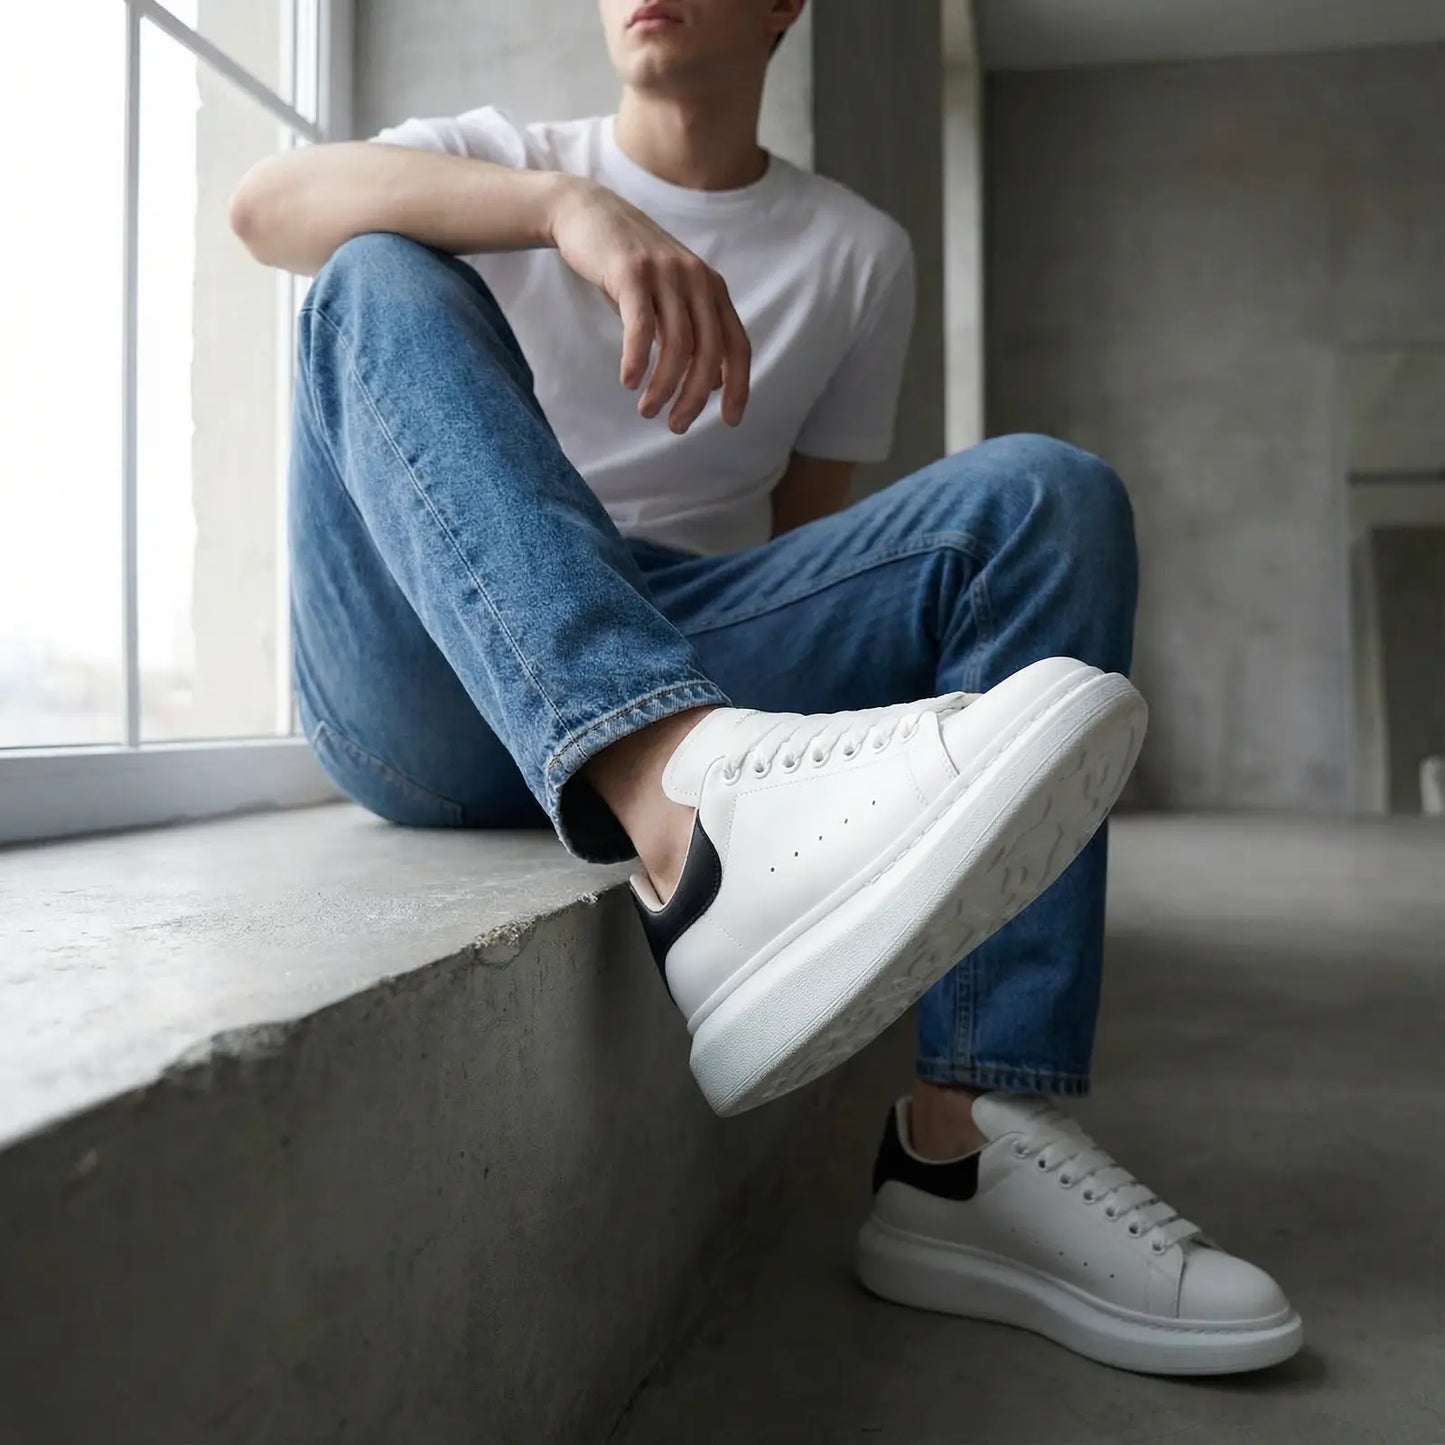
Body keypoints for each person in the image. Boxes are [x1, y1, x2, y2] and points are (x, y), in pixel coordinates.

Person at [230, 0, 1300, 1376]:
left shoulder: (854, 253)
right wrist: (565, 210)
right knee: (373, 267)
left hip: (683, 637)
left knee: (1045, 494)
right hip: (426, 675)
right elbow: (267, 209)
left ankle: (965, 1147)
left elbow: (811, 562)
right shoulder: (493, 154)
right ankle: (690, 825)